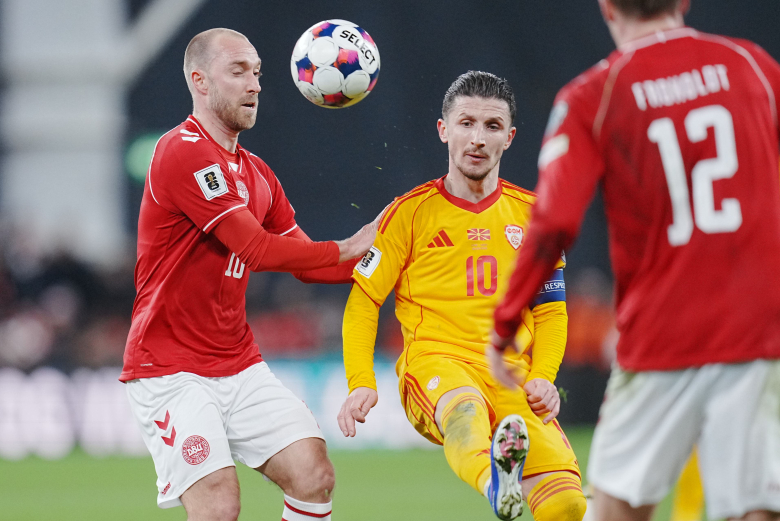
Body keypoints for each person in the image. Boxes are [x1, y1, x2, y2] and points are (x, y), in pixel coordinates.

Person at [488, 1, 780, 520]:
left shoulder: (593, 95)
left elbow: (553, 222)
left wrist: (507, 320)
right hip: (759, 328)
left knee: (616, 511)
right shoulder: (753, 65)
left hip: (661, 334)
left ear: (606, 7)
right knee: (755, 510)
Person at [120, 28, 378, 521]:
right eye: (238, 71)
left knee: (314, 475)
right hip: (169, 368)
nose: (255, 84)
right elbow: (257, 250)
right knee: (219, 504)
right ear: (199, 80)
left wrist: (392, 265)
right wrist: (348, 245)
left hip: (237, 364)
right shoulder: (182, 151)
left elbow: (306, 263)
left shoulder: (257, 172)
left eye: (257, 73)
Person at [337, 71, 587, 521]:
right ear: (443, 130)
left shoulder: (536, 217)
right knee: (465, 412)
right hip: (435, 362)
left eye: (492, 126)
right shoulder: (408, 214)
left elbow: (550, 311)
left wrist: (544, 377)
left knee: (567, 505)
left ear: (509, 138)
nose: (477, 138)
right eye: (466, 123)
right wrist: (361, 382)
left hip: (510, 374)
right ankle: (496, 484)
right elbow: (363, 302)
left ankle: (508, 478)